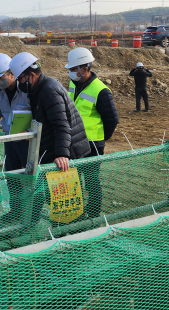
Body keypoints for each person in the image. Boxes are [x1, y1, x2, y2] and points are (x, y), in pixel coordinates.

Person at [9, 52, 91, 170]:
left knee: (66, 189)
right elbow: (44, 120)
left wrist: (62, 154)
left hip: (67, 155)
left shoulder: (49, 91)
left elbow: (61, 125)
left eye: (20, 79)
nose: (19, 83)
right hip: (55, 151)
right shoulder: (37, 90)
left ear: (31, 75)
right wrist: (30, 131)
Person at [65, 47, 118, 218]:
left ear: (84, 68)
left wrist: (101, 138)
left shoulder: (101, 91)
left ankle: (94, 212)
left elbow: (112, 120)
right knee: (74, 179)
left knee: (91, 181)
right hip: (74, 141)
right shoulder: (73, 84)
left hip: (92, 144)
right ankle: (77, 211)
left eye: (73, 69)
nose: (71, 73)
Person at [0, 53, 31, 171]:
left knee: (31, 173)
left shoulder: (26, 89)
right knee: (11, 173)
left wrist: (30, 133)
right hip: (9, 139)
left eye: (1, 78)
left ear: (12, 73)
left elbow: (38, 112)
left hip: (27, 140)